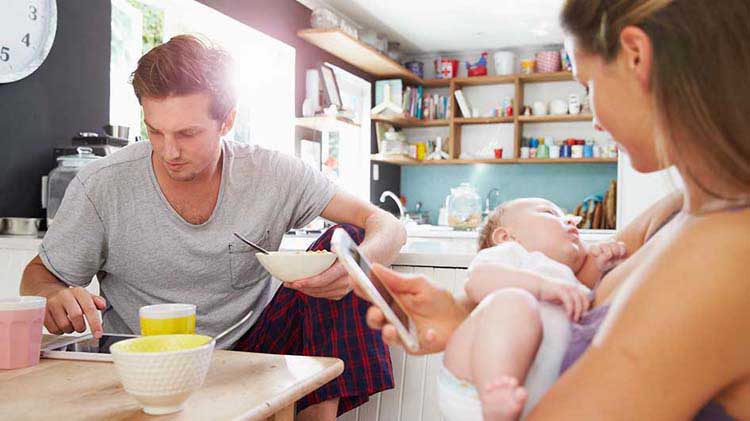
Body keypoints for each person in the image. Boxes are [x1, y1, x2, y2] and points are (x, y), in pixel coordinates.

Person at [361, 0, 750, 419]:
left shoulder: (724, 253)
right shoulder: (675, 214)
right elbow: (569, 331)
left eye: (588, 85)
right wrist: (466, 322)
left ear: (637, 56)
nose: (595, 120)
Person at [19, 35, 406, 420]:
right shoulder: (101, 184)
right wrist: (52, 297)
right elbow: (39, 276)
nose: (169, 151)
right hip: (150, 359)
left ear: (227, 121)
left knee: (350, 245)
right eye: (155, 131)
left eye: (188, 134)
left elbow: (385, 224)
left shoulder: (271, 172)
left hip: (254, 344)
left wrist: (359, 267)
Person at [440, 198, 626, 420]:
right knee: (515, 301)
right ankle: (496, 396)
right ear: (505, 236)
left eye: (566, 216)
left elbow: (589, 301)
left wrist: (603, 264)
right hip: (476, 387)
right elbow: (476, 281)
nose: (569, 221)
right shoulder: (511, 254)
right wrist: (541, 287)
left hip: (526, 396)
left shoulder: (565, 278)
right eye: (550, 213)